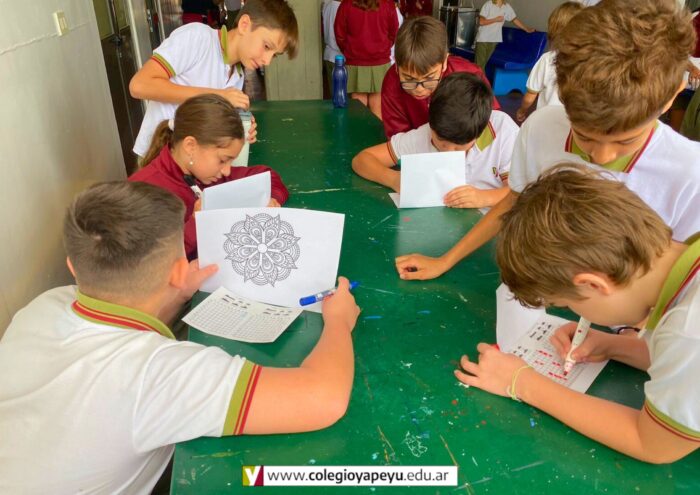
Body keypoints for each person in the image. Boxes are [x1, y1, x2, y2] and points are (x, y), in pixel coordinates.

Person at [0, 180, 360, 493]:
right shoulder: (158, 375)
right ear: (177, 269)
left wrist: (176, 294)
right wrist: (339, 321)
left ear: (72, 266)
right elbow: (323, 398)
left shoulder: (43, 306)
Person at [396, 0, 700, 281]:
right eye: (584, 136)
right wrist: (446, 260)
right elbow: (513, 200)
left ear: (673, 93)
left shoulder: (689, 174)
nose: (602, 156)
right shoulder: (541, 127)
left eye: (625, 141)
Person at [455, 165, 700, 463]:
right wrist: (613, 345)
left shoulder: (689, 329)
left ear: (592, 285)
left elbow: (654, 444)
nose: (572, 311)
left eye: (566, 304)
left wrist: (520, 381)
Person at [129, 0, 299, 159]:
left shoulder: (237, 75)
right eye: (266, 46)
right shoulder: (198, 37)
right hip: (158, 158)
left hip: (192, 163)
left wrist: (238, 128)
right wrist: (218, 96)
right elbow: (139, 85)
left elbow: (207, 121)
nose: (267, 61)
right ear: (244, 25)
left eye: (274, 55)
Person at [129, 94, 289, 261]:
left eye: (231, 161)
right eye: (223, 160)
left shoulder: (206, 175)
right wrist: (197, 223)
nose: (227, 171)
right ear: (190, 146)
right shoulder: (141, 194)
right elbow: (145, 264)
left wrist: (271, 200)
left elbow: (268, 176)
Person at [352, 73, 517, 209]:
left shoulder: (503, 131)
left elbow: (520, 191)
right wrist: (394, 179)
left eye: (459, 147)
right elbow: (362, 160)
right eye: (441, 142)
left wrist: (483, 197)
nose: (448, 152)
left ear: (479, 132)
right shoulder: (426, 133)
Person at [380, 16, 499, 138]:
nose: (419, 89)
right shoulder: (392, 83)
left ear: (445, 61)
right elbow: (398, 138)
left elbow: (490, 123)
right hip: (416, 145)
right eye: (409, 79)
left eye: (429, 78)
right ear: (396, 66)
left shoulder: (470, 77)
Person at [515, 2, 584, 122]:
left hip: (546, 121)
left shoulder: (547, 59)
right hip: (576, 123)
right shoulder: (590, 61)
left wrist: (522, 110)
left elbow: (530, 95)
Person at [334, 0, 399, 119]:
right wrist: (383, 47)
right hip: (380, 62)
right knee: (377, 111)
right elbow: (394, 32)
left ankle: (359, 131)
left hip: (355, 62)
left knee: (357, 112)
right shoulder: (388, 4)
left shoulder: (346, 4)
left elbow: (339, 34)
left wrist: (350, 50)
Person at [474, 0, 534, 71]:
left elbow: (514, 20)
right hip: (483, 39)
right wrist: (496, 19)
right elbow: (481, 22)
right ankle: (477, 78)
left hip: (494, 40)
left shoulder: (506, 7)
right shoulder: (488, 4)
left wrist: (526, 29)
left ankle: (476, 77)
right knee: (479, 66)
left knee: (482, 64)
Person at [322, 0, 342, 93]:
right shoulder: (342, 8)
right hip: (340, 58)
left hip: (328, 54)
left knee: (334, 94)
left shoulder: (326, 5)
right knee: (342, 95)